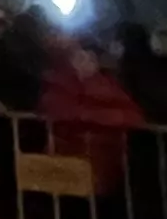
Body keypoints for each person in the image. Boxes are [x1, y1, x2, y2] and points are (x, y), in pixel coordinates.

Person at [37, 36, 148, 198]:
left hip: (103, 163)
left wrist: (90, 116)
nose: (86, 63)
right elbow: (55, 110)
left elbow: (133, 116)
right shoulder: (58, 85)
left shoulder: (108, 86)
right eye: (81, 58)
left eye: (91, 59)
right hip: (66, 163)